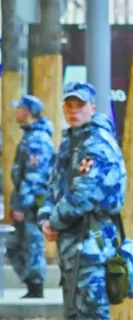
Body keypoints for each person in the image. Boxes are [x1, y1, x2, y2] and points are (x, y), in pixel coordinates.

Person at [38, 82, 127, 319]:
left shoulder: (97, 143)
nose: (74, 110)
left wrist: (53, 222)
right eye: (69, 105)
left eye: (80, 105)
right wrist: (45, 216)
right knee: (74, 312)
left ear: (92, 107)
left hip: (92, 242)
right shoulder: (71, 142)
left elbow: (83, 196)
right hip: (72, 243)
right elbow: (54, 184)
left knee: (91, 312)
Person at [7, 94, 55, 298]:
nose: (16, 112)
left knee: (32, 244)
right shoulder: (30, 136)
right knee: (13, 245)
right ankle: (31, 283)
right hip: (25, 202)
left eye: (19, 108)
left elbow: (34, 178)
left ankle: (36, 286)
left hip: (32, 206)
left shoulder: (37, 140)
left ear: (26, 112)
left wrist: (22, 206)